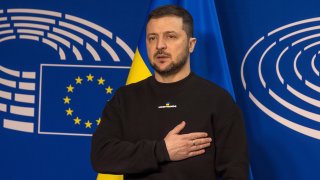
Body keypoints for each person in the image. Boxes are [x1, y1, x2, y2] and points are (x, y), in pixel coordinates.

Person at [91, 5, 248, 180]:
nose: (160, 46)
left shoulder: (218, 100)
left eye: (170, 36)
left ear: (191, 44)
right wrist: (162, 150)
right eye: (152, 38)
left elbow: (235, 173)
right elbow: (101, 156)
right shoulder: (124, 99)